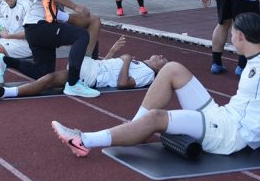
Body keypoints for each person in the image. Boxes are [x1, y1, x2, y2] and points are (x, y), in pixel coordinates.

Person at [52, 12, 260, 158]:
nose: (230, 37)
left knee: (156, 117)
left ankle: (83, 140)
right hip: (223, 114)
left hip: (230, 133)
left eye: (232, 33)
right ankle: (135, 127)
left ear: (241, 36)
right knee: (173, 69)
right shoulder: (253, 59)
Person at [0, 0, 101, 97]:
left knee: (43, 73)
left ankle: (5, 61)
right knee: (81, 35)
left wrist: (82, 21)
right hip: (40, 26)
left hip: (34, 30)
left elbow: (57, 13)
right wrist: (76, 6)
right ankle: (73, 83)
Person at [0, 35, 166, 100]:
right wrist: (113, 51)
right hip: (94, 67)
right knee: (47, 78)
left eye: (163, 60)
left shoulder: (148, 74)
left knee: (87, 33)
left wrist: (126, 60)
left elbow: (123, 84)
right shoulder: (141, 64)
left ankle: (5, 92)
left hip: (92, 75)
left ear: (159, 70)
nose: (161, 56)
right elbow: (110, 66)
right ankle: (6, 62)